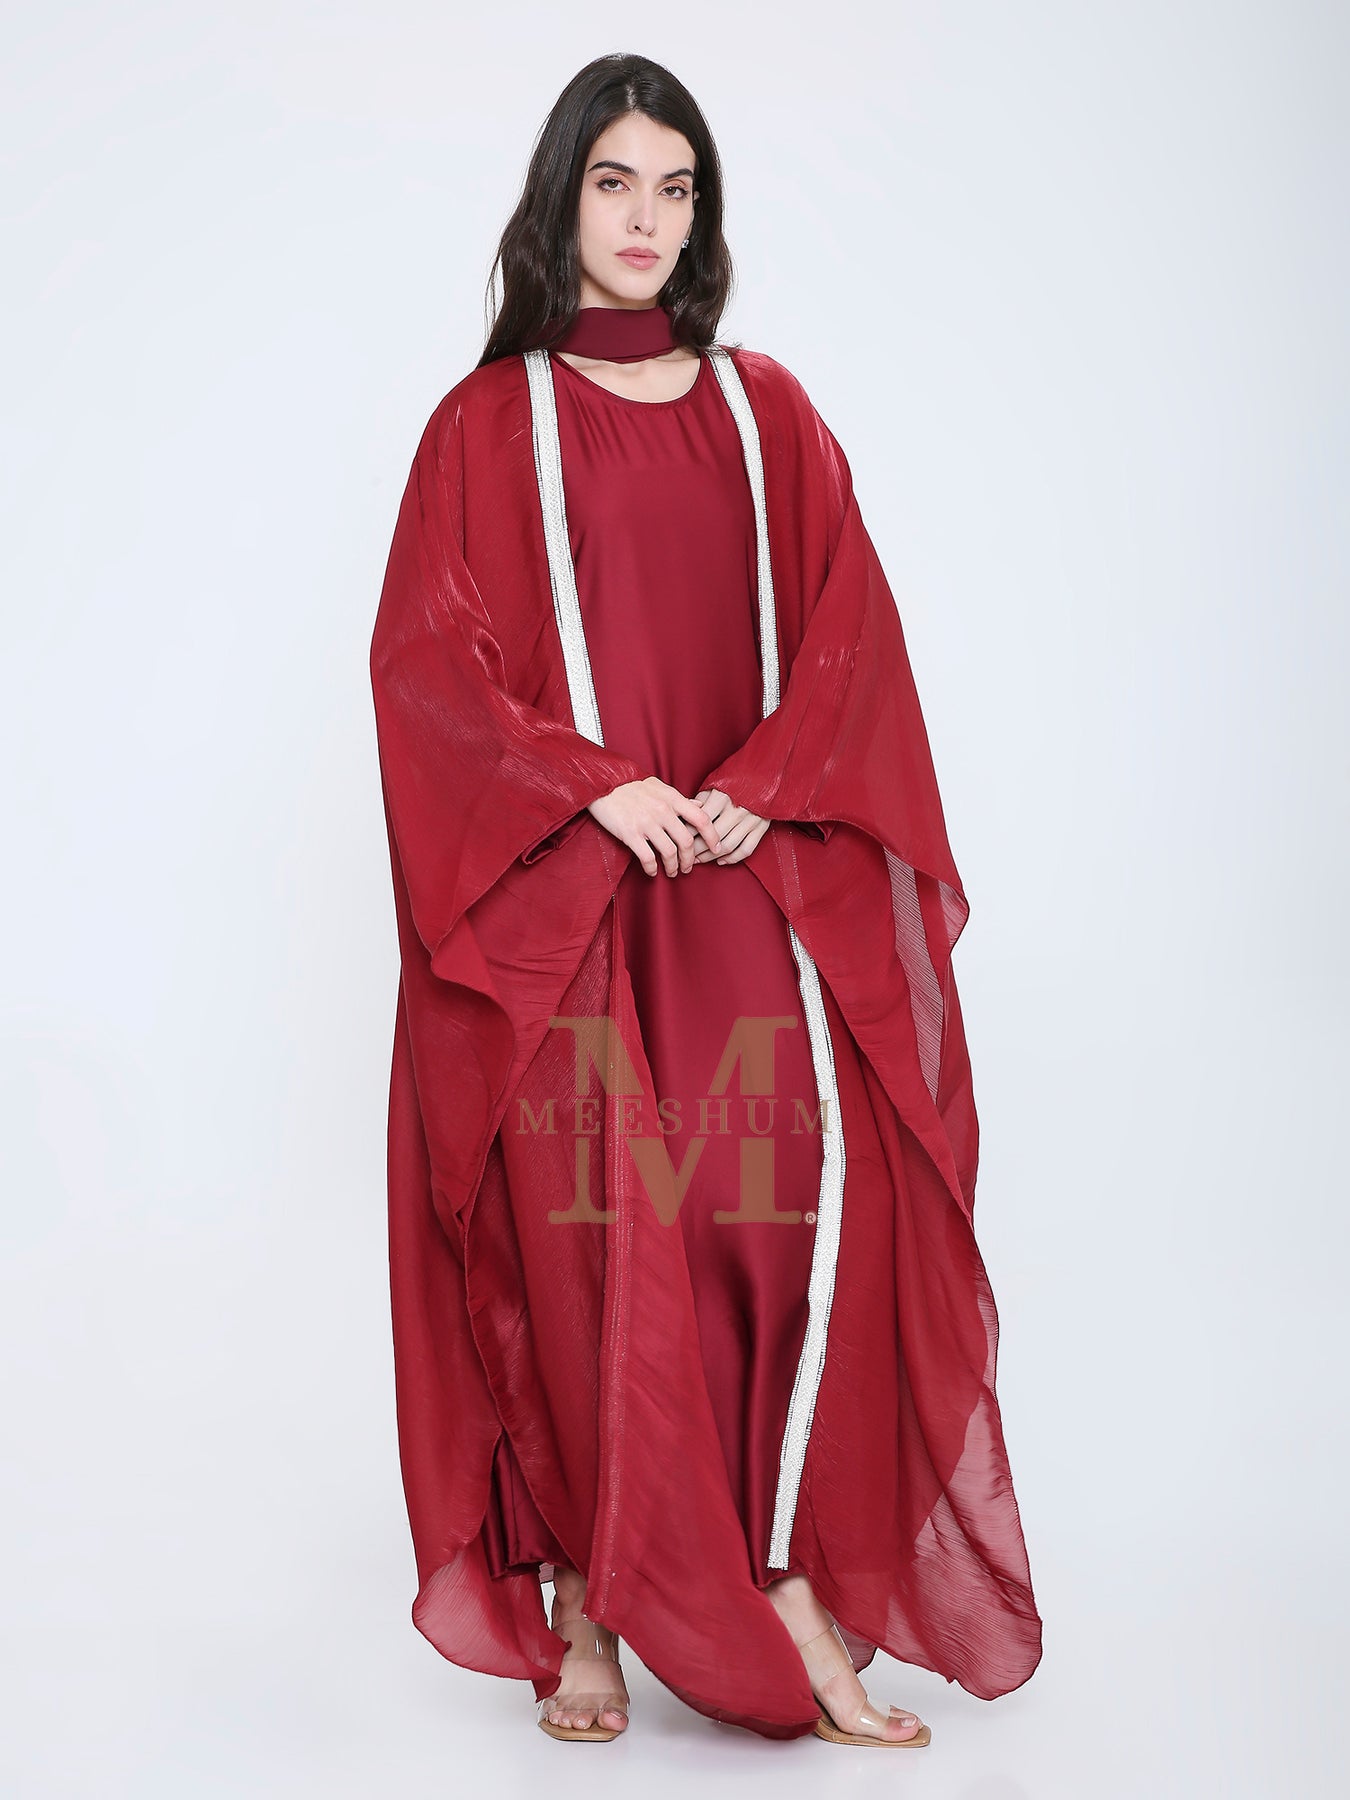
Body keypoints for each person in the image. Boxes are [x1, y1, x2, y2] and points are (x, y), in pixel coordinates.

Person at [369, 52, 1042, 1748]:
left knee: (766, 1211)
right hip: (577, 893)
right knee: (587, 1223)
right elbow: (431, 667)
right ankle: (590, 1601)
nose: (645, 219)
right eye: (614, 183)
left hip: (737, 872)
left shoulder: (767, 412)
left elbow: (849, 637)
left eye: (674, 189)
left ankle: (786, 1580)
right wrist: (592, 783)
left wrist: (760, 782)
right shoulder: (486, 424)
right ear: (562, 200)